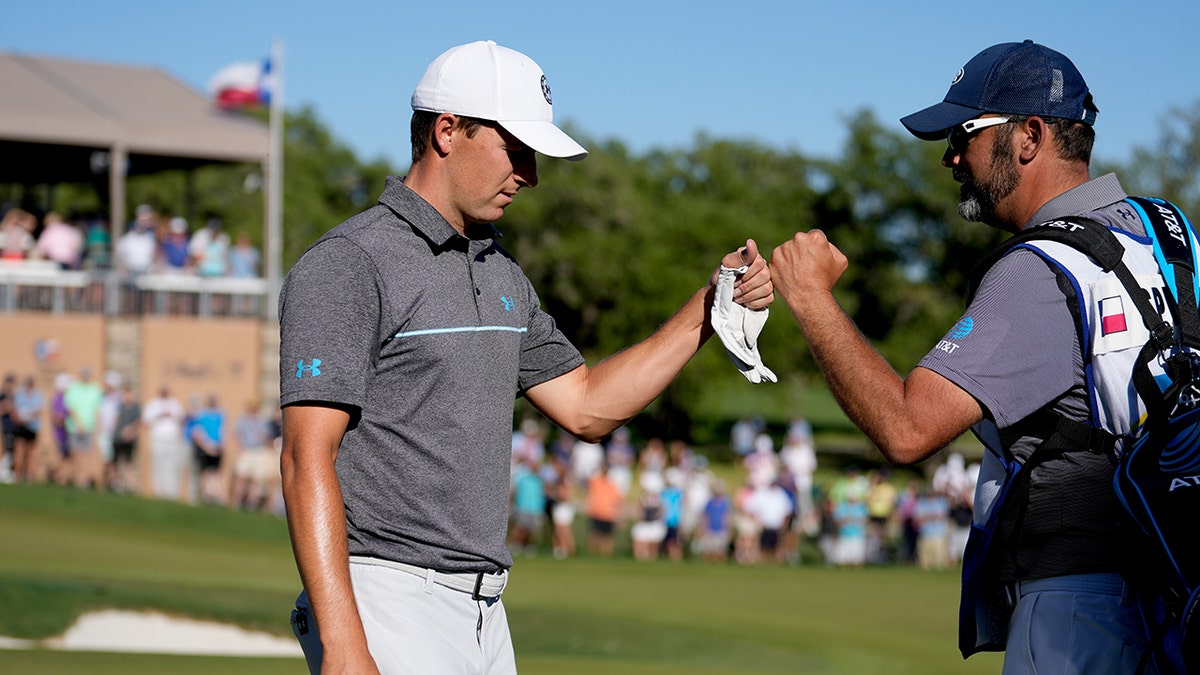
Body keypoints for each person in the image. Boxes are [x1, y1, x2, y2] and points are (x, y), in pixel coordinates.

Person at [278, 39, 772, 675]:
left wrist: (707, 309)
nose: (530, 175)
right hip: (386, 600)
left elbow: (587, 406)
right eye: (516, 150)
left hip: (486, 613)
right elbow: (303, 456)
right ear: (448, 131)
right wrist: (345, 646)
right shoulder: (349, 263)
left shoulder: (501, 272)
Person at [770, 40, 1157, 671]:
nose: (951, 156)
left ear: (1029, 136)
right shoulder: (1172, 238)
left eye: (964, 132)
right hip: (1168, 590)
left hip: (1079, 607)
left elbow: (905, 428)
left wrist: (811, 299)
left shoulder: (1042, 267)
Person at [142, 386, 186, 501]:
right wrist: (160, 415)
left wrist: (170, 414)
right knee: (158, 465)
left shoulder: (175, 403)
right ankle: (159, 491)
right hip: (157, 439)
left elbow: (182, 418)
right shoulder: (153, 404)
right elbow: (146, 420)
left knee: (171, 466)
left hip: (171, 440)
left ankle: (171, 493)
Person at [11, 375, 44, 482]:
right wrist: (21, 418)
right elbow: (15, 409)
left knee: (31, 452)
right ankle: (17, 475)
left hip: (32, 427)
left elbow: (39, 410)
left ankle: (30, 476)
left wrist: (30, 416)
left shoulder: (38, 394)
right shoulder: (19, 394)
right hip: (20, 426)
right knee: (19, 450)